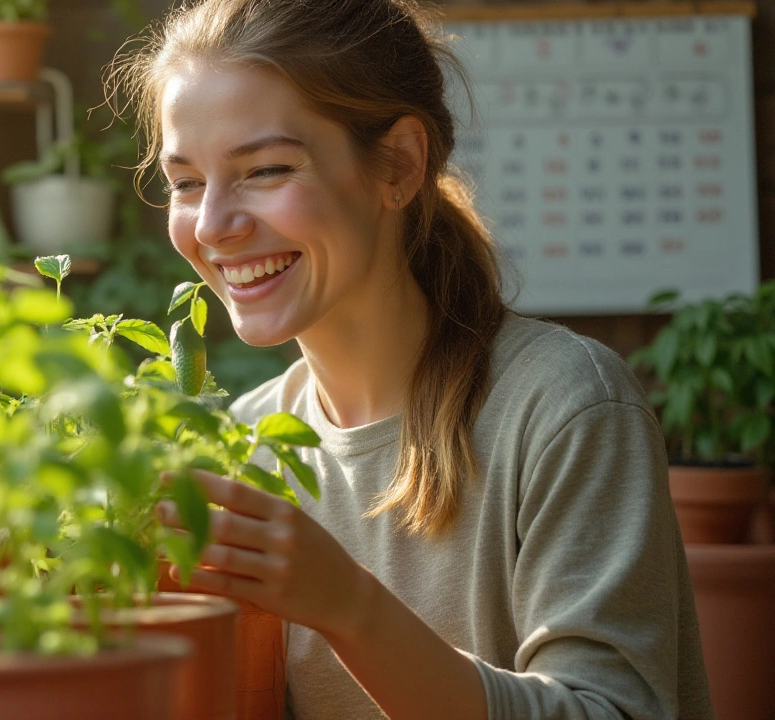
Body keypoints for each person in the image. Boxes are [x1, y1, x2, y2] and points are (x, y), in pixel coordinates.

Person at [107, 0, 713, 718]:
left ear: (399, 163)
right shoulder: (249, 448)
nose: (213, 226)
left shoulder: (563, 406)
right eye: (185, 182)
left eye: (265, 169)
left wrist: (349, 606)